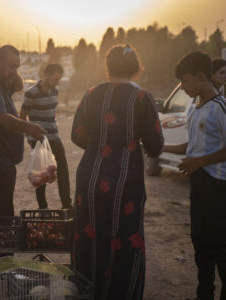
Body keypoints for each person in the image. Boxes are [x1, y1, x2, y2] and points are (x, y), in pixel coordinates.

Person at [71, 45, 163, 299]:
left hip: (89, 179)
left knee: (88, 238)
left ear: (108, 66)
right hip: (126, 181)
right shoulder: (142, 98)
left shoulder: (91, 94)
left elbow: (76, 136)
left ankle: (86, 292)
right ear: (135, 67)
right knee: (125, 238)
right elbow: (155, 146)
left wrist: (100, 146)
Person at [163, 51, 226, 300]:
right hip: (199, 187)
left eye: (185, 81)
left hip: (218, 187)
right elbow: (192, 146)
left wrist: (199, 162)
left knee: (221, 249)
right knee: (201, 246)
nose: (183, 87)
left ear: (201, 77)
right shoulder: (195, 108)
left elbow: (203, 155)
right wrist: (161, 148)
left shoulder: (220, 107)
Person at [0, 45, 46, 222]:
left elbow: (19, 85)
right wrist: (29, 127)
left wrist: (11, 71)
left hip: (0, 159)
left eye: (17, 67)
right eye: (12, 66)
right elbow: (0, 117)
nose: (15, 71)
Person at [20, 64, 72, 209]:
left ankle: (67, 205)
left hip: (54, 136)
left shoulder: (55, 90)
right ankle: (43, 207)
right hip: (38, 139)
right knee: (42, 173)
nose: (57, 82)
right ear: (47, 75)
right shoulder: (32, 93)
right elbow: (22, 116)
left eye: (59, 79)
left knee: (62, 170)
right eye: (55, 79)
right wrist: (29, 136)